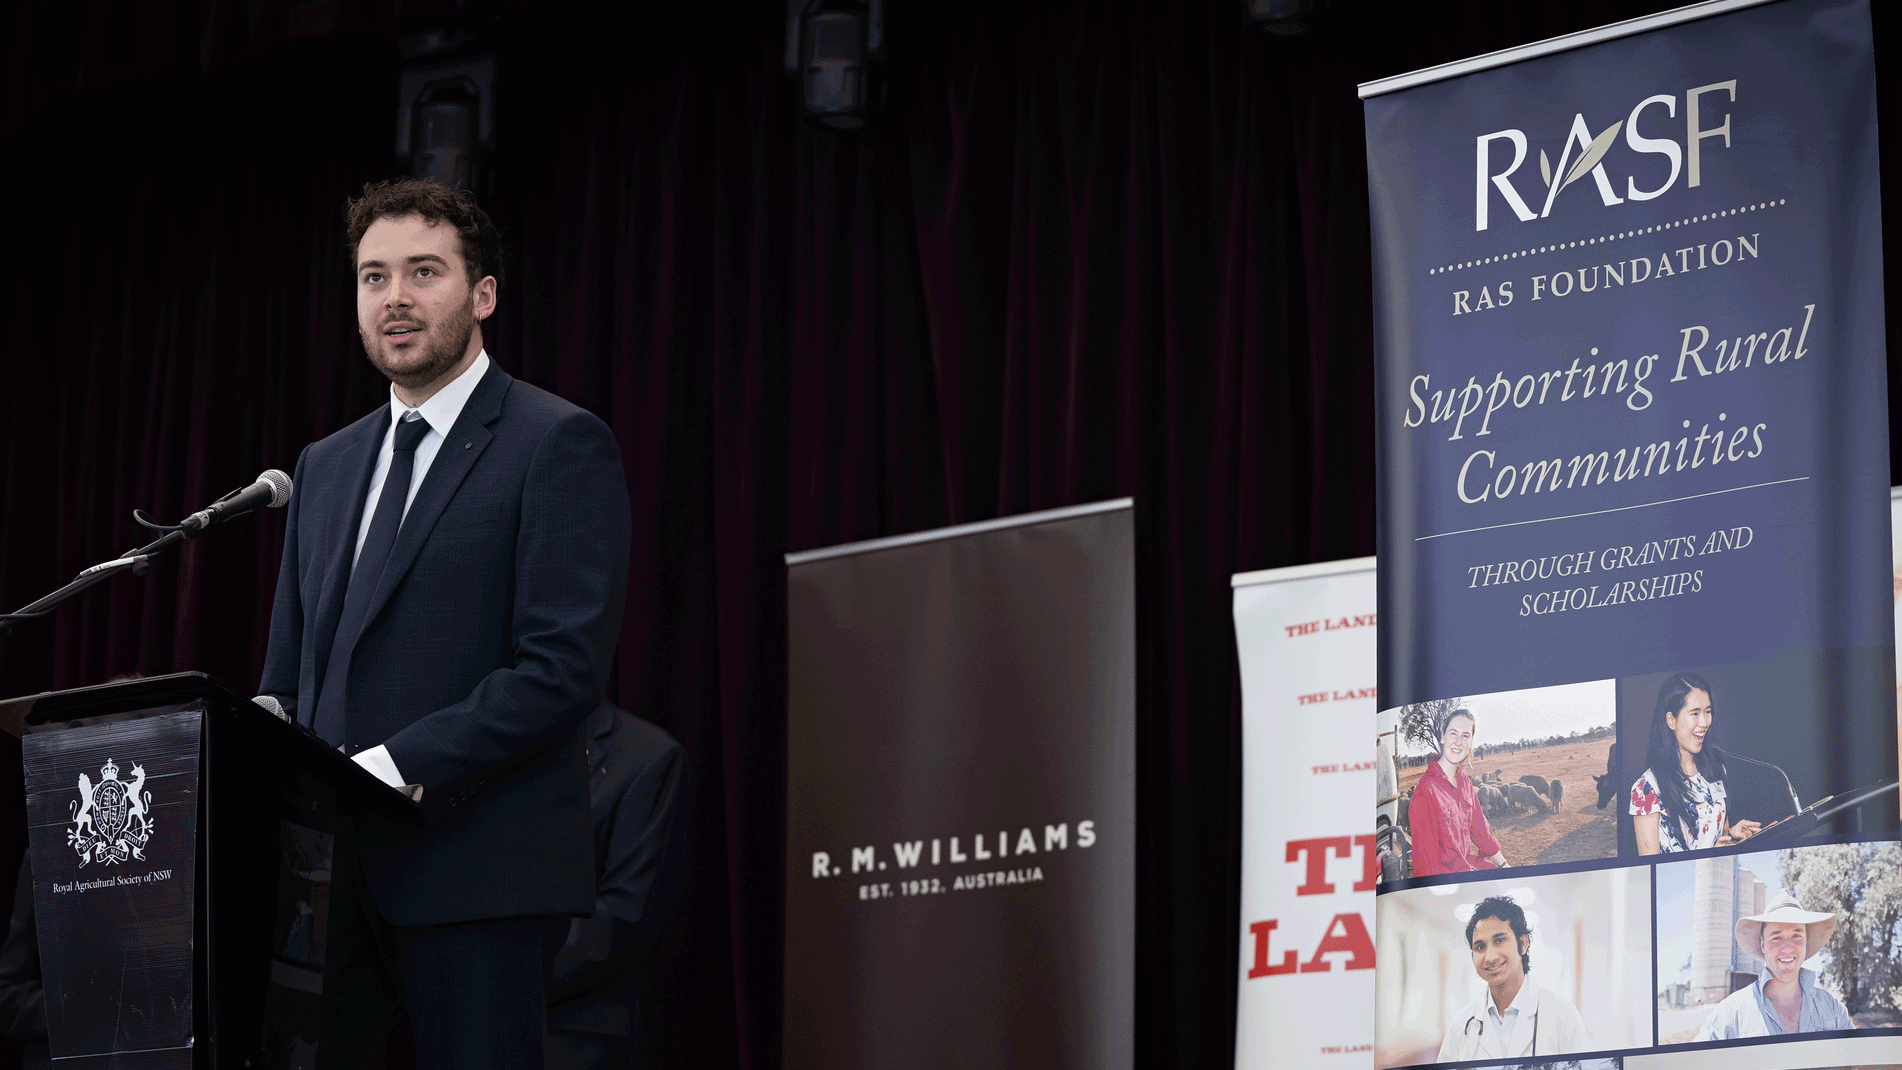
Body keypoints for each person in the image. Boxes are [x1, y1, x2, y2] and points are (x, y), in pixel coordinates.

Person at [257, 177, 631, 1069]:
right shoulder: (324, 463)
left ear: (483, 294)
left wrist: (394, 768)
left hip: (477, 872)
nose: (395, 298)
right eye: (373, 276)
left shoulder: (556, 442)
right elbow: (287, 676)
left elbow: (559, 670)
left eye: (424, 272)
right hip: (328, 888)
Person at [545, 702, 690, 1070]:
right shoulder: (485, 745)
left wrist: (507, 970)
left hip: (570, 1033)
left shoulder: (648, 754)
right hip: (464, 1025)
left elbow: (627, 914)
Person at [1437, 895, 1592, 1061]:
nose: (1490, 957)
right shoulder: (1461, 1025)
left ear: (1523, 943)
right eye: (1480, 946)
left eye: (1499, 940)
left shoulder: (1563, 1016)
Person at [1629, 672, 1759, 855]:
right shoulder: (1646, 789)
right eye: (1695, 713)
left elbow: (1720, 834)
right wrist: (1710, 856)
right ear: (1671, 720)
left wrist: (1733, 835)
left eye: (1707, 711)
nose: (1705, 722)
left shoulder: (1715, 769)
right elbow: (1651, 866)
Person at [1695, 890, 1852, 1039]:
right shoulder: (1732, 1012)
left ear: (1805, 941)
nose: (1788, 948)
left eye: (1797, 936)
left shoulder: (1831, 1008)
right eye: (1777, 938)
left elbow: (1857, 1061)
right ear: (1763, 944)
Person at [1406, 709, 1508, 876]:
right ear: (1442, 736)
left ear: (1470, 742)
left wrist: (1504, 865)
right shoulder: (1426, 792)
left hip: (1469, 866)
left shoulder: (1464, 780)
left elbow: (1480, 828)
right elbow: (1426, 865)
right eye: (1453, 733)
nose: (1458, 742)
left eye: (1465, 736)